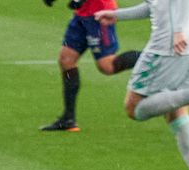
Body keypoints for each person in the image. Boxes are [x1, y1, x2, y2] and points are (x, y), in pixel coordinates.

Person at [97, 1, 189, 170]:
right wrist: (118, 15)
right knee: (175, 108)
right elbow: (156, 4)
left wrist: (178, 30)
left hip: (170, 41)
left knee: (134, 107)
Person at [39, 0, 141, 132]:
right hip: (82, 14)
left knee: (107, 65)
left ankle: (153, 57)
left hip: (100, 13)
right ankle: (68, 119)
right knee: (66, 60)